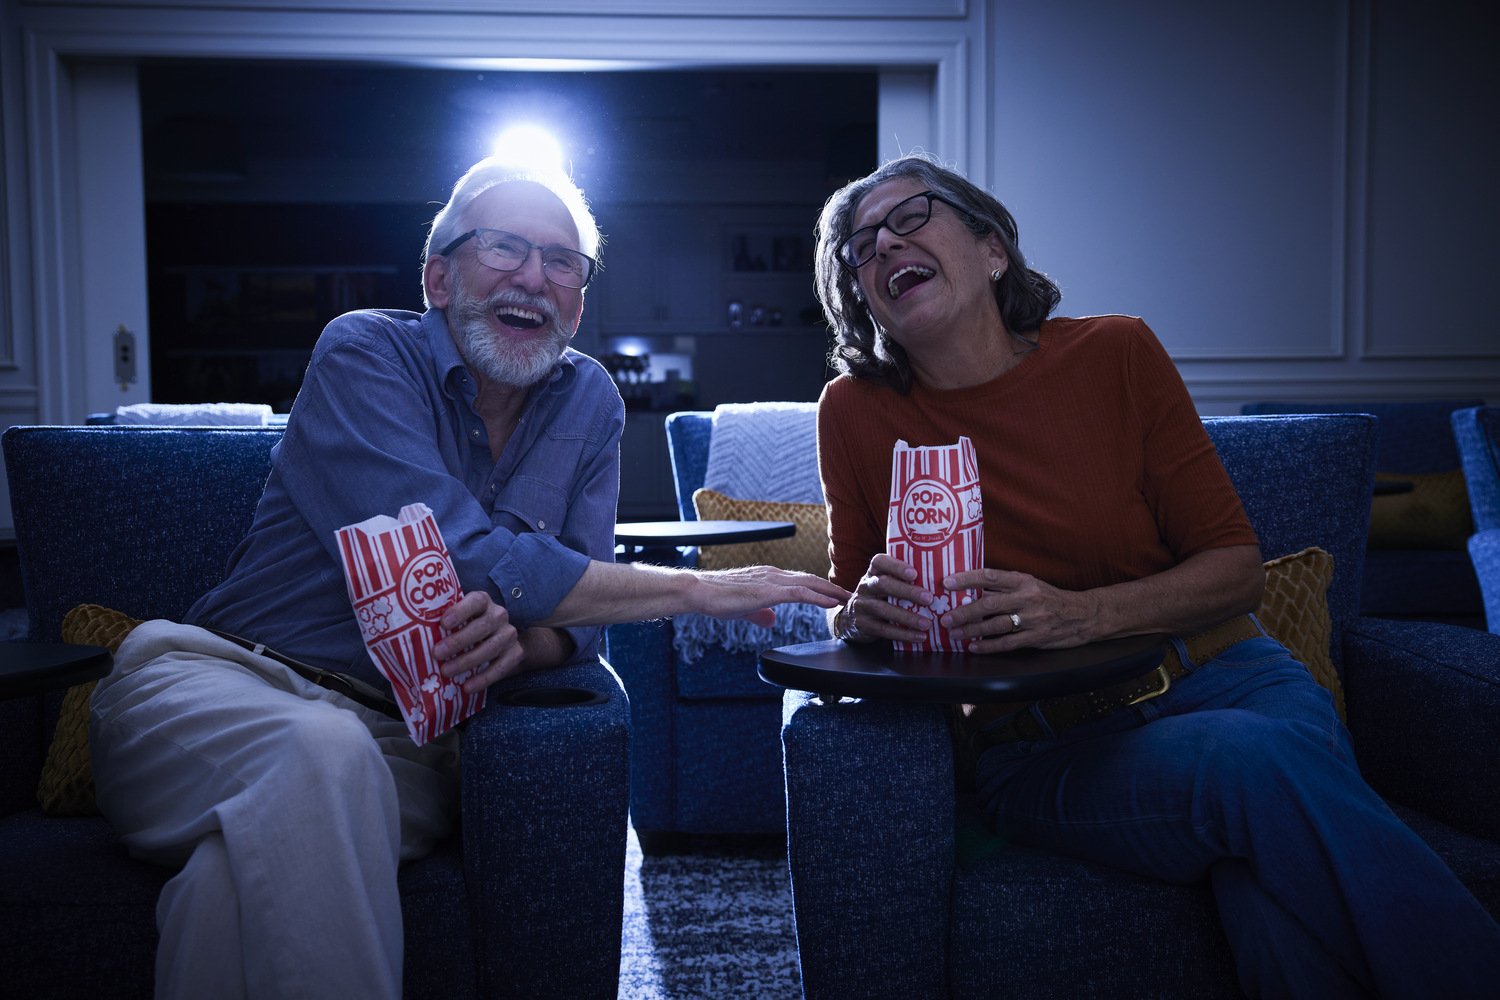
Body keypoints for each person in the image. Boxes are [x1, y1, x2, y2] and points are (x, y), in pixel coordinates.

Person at [87, 155, 847, 999]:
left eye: (563, 261)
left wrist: (518, 648)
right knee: (318, 750)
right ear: (438, 277)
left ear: (579, 301)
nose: (534, 276)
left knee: (226, 885)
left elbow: (573, 633)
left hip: (409, 743)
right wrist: (692, 589)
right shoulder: (363, 354)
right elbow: (456, 554)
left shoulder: (588, 403)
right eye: (505, 248)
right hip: (214, 684)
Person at [811, 151, 1500, 998]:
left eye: (908, 218)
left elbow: (1237, 571)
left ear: (992, 248)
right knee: (1258, 769)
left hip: (1234, 681)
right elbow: (849, 606)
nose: (881, 246)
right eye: (859, 247)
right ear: (861, 296)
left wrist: (1081, 616)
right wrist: (862, 618)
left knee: (1265, 879)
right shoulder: (854, 413)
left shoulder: (1117, 354)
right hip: (1045, 746)